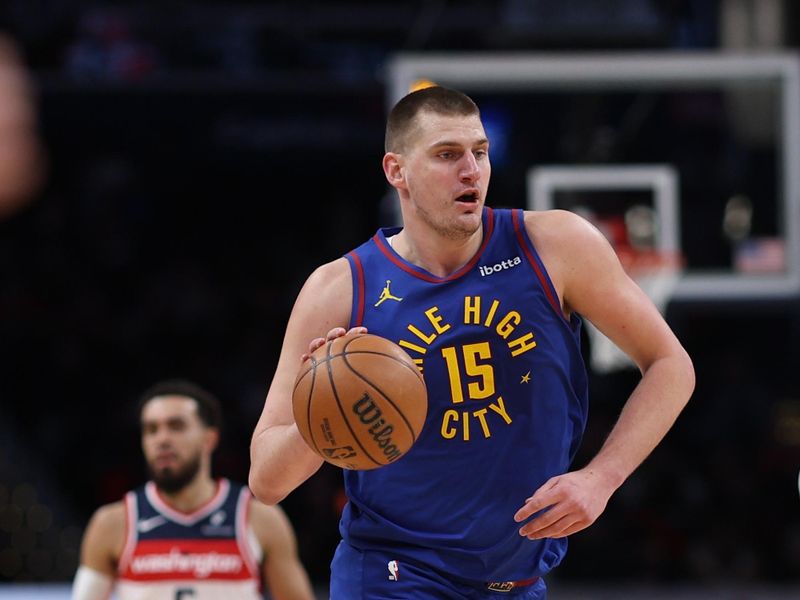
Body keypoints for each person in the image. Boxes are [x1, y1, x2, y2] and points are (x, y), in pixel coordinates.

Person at [248, 86, 695, 598]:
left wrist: (603, 478)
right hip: (392, 572)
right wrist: (326, 409)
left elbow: (670, 364)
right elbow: (266, 481)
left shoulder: (556, 246)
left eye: (479, 152)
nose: (471, 171)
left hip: (517, 579)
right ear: (396, 171)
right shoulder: (341, 289)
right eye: (446, 155)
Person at [72, 379, 315, 600]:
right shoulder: (112, 523)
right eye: (151, 430)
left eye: (176, 426)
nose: (162, 439)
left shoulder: (260, 519)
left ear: (209, 439)